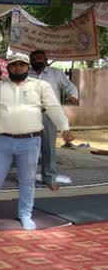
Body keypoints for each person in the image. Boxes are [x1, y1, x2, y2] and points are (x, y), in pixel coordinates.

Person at [0, 53, 73, 229]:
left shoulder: (41, 85)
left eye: (22, 65)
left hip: (30, 141)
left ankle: (25, 214)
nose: (18, 68)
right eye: (14, 65)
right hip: (2, 141)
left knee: (27, 180)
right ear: (8, 68)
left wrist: (65, 128)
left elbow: (54, 108)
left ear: (27, 67)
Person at [28, 49, 79, 190]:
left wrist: (73, 95)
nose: (37, 61)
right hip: (28, 115)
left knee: (48, 148)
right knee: (28, 148)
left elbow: (70, 87)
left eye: (40, 58)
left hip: (49, 115)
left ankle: (49, 177)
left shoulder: (56, 73)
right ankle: (27, 178)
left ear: (46, 60)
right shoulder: (25, 74)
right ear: (30, 60)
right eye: (34, 58)